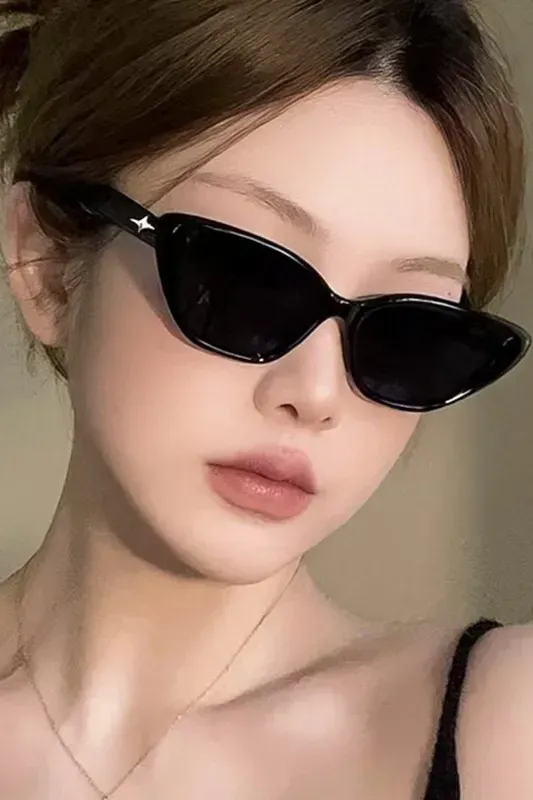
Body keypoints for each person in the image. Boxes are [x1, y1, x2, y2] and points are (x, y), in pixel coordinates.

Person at [0, 0, 532, 797]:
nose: (314, 394)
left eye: (406, 331)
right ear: (44, 264)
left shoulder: (506, 729)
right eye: (245, 281)